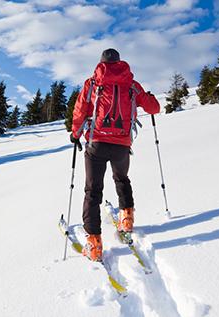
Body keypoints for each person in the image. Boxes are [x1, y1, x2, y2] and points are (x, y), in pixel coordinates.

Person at [70, 48, 160, 262]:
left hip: (96, 144)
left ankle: (93, 243)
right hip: (121, 144)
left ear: (101, 63)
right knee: (122, 178)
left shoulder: (92, 83)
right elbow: (154, 108)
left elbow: (80, 109)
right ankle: (126, 219)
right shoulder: (131, 84)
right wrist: (150, 98)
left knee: (93, 191)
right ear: (120, 62)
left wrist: (75, 134)